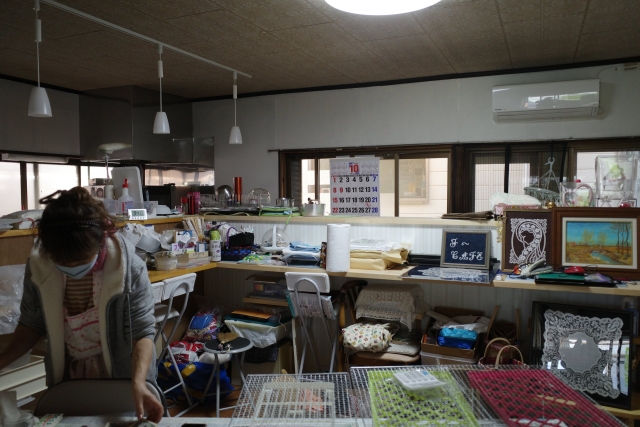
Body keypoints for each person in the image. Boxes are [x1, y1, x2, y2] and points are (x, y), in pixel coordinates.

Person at [0, 187, 163, 422]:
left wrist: (138, 382)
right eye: (62, 262)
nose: (73, 268)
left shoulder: (128, 268)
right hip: (69, 377)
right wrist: (3, 360)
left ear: (102, 240)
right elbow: (31, 324)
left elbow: (142, 332)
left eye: (81, 261)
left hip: (123, 376)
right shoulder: (40, 266)